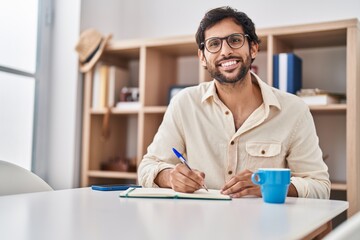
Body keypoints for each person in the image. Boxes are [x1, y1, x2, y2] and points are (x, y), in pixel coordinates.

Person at [138, 6, 330, 199]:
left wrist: (268, 185)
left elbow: (320, 187)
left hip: (265, 226)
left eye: (235, 40)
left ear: (253, 48)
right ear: (202, 57)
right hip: (200, 224)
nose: (226, 51)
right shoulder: (184, 103)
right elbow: (147, 167)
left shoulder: (294, 110)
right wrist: (169, 177)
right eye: (214, 44)